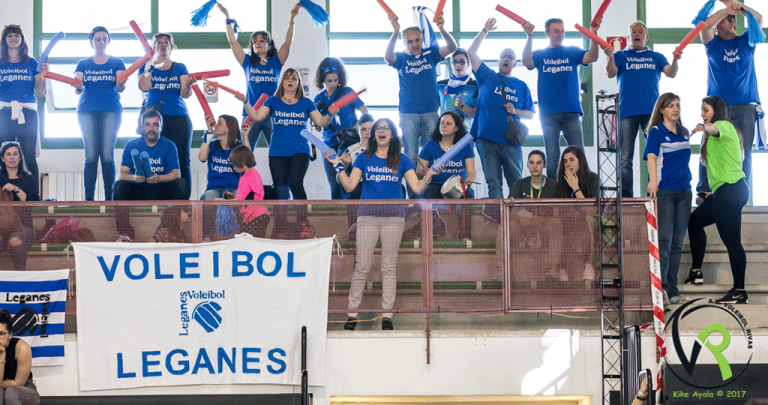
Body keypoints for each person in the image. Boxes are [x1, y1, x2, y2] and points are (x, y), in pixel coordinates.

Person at [325, 118, 438, 330]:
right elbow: (349, 187)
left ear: (392, 134)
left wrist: (429, 175)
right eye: (378, 128)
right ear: (374, 135)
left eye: (386, 128)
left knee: (388, 267)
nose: (381, 131)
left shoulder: (402, 159)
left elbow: (417, 188)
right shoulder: (364, 158)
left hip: (394, 218)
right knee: (362, 266)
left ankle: (387, 315)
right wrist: (339, 167)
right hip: (367, 217)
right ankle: (352, 314)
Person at [241, 68, 336, 239]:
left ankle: (303, 223)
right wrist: (246, 102)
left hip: (300, 150)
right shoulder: (273, 101)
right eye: (287, 78)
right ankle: (280, 226)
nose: (290, 81)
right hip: (277, 152)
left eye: (294, 78)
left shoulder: (306, 103)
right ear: (282, 82)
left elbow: (321, 122)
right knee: (281, 190)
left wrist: (330, 113)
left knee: (295, 183)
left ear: (298, 83)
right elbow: (255, 117)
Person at [604, 21, 680, 197]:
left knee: (654, 153)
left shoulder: (656, 56)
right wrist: (609, 57)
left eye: (640, 31)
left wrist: (675, 58)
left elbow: (671, 72)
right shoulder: (620, 55)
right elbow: (610, 73)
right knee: (625, 157)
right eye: (633, 32)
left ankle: (653, 192)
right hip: (626, 112)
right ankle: (626, 195)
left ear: (646, 36)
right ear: (629, 36)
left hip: (652, 114)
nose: (637, 34)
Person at [686, 95, 749, 304]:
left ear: (716, 112)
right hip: (725, 191)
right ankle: (696, 271)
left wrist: (703, 127)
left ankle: (739, 290)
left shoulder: (723, 126)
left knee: (732, 242)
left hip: (731, 190)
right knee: (694, 221)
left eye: (705, 110)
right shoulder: (713, 137)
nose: (702, 114)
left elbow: (715, 129)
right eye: (701, 110)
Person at [523, 17, 602, 180]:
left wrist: (594, 34)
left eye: (562, 31)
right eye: (556, 31)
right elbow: (526, 62)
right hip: (548, 115)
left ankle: (582, 192)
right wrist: (529, 37)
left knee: (578, 155)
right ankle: (554, 196)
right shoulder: (541, 54)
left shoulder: (572, 51)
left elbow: (592, 57)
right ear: (547, 33)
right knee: (552, 158)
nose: (560, 34)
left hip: (571, 113)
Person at [698, 0, 762, 200]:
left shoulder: (746, 42)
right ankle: (705, 190)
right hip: (718, 107)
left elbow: (758, 20)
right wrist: (725, 9)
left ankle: (742, 191)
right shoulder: (713, 45)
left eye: (723, 22)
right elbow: (703, 26)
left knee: (744, 151)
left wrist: (738, 7)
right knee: (708, 144)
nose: (717, 25)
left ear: (733, 23)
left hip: (744, 105)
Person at [468, 18, 535, 199]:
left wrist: (515, 111)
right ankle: (498, 223)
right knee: (494, 184)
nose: (507, 58)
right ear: (499, 60)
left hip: (511, 143)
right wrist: (485, 30)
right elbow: (471, 53)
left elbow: (530, 114)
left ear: (515, 63)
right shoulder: (487, 76)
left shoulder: (521, 86)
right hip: (487, 140)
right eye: (504, 56)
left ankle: (518, 223)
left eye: (511, 57)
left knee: (517, 184)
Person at [218, 2, 300, 148]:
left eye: (262, 41)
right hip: (250, 113)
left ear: (269, 45)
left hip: (272, 113)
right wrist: (227, 18)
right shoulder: (247, 62)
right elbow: (232, 42)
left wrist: (291, 19)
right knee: (245, 153)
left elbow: (288, 43)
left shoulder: (276, 62)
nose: (258, 44)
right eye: (255, 42)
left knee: (277, 150)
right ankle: (247, 173)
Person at [384, 12, 457, 171]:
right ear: (404, 42)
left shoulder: (431, 53)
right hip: (408, 113)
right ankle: (413, 194)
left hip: (430, 112)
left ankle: (427, 193)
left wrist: (442, 29)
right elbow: (388, 57)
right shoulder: (401, 58)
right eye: (410, 41)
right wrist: (395, 32)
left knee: (430, 156)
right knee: (410, 156)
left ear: (422, 39)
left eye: (417, 40)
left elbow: (453, 47)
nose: (414, 44)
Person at [643, 93, 691, 307]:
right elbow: (652, 157)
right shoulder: (655, 132)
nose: (675, 109)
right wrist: (653, 182)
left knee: (677, 244)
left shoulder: (685, 132)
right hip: (664, 192)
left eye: (678, 105)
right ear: (661, 109)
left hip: (684, 192)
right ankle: (659, 288)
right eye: (670, 106)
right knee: (664, 242)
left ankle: (672, 289)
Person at [113, 110, 188, 241]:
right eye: (147, 124)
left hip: (160, 189)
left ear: (161, 127)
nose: (151, 128)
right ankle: (124, 233)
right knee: (119, 186)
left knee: (181, 184)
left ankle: (173, 231)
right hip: (139, 189)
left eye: (155, 124)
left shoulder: (169, 145)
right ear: (141, 127)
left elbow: (176, 173)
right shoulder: (131, 145)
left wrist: (159, 178)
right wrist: (134, 178)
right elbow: (122, 174)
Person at [138, 32, 195, 199]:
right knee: (154, 158)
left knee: (182, 159)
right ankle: (154, 198)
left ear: (171, 46)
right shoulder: (147, 66)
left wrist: (189, 85)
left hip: (178, 116)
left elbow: (184, 93)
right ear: (153, 47)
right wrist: (149, 65)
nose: (163, 45)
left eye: (166, 42)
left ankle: (183, 200)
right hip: (153, 118)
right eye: (159, 43)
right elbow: (144, 87)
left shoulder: (179, 67)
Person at [73, 26, 126, 201]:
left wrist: (122, 82)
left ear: (108, 41)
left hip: (111, 111)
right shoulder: (83, 63)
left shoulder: (117, 62)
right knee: (90, 157)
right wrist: (77, 86)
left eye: (104, 39)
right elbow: (78, 87)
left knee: (107, 157)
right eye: (98, 39)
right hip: (86, 111)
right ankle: (89, 199)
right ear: (92, 42)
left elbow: (120, 87)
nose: (101, 42)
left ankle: (109, 199)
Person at [313, 57, 368, 200]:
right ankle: (337, 217)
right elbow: (318, 127)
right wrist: (319, 123)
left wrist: (357, 127)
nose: (333, 84)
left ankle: (350, 214)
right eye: (329, 81)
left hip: (349, 143)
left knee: (348, 180)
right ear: (323, 80)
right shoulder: (318, 99)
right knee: (334, 183)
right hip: (328, 144)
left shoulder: (347, 92)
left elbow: (364, 111)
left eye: (335, 80)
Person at [417, 111, 476, 240]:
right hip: (435, 184)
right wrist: (428, 172)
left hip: (457, 185)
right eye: (442, 123)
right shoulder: (430, 145)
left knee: (469, 196)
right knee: (429, 194)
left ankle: (465, 235)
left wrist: (468, 181)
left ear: (456, 128)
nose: (443, 125)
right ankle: (429, 234)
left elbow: (471, 172)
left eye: (448, 124)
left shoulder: (465, 146)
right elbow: (419, 172)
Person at [0, 24, 46, 187]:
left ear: (22, 39)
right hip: (4, 112)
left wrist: (43, 75)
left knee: (28, 156)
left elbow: (41, 92)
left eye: (17, 35)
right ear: (5, 40)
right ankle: (5, 197)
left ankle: (34, 197)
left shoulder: (31, 62)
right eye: (10, 35)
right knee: (5, 156)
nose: (13, 38)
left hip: (28, 112)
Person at [556, 145, 600, 281]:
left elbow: (591, 210)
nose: (568, 164)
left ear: (580, 161)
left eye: (571, 160)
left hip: (590, 219)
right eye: (565, 161)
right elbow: (557, 210)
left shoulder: (593, 178)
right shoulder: (561, 183)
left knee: (586, 219)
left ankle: (588, 265)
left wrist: (575, 187)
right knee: (559, 223)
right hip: (569, 221)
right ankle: (561, 268)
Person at [198, 115, 243, 241]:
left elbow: (249, 161)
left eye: (219, 123)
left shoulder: (238, 147)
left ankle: (241, 235)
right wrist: (209, 132)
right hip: (215, 188)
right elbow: (202, 158)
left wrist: (245, 136)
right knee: (207, 197)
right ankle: (206, 236)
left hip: (234, 188)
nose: (215, 125)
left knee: (242, 198)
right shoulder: (212, 145)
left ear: (228, 128)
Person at [0, 141, 38, 271]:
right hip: (1, 224)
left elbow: (32, 203)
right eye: (8, 154)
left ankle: (20, 279)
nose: (12, 157)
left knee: (16, 240)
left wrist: (16, 189)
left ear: (20, 157)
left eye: (15, 154)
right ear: (2, 158)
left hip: (23, 226)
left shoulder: (28, 178)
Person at [338, 114, 374, 231]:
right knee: (355, 190)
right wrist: (345, 165)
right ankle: (353, 231)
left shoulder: (383, 149)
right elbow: (339, 180)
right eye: (364, 129)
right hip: (358, 185)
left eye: (371, 129)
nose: (367, 133)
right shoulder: (350, 150)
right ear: (358, 131)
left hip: (378, 184)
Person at [225, 145, 270, 238]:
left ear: (242, 162)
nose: (235, 167)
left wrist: (223, 202)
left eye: (235, 164)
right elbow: (249, 195)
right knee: (257, 241)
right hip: (262, 214)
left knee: (249, 242)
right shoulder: (255, 173)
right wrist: (234, 196)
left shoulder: (245, 178)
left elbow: (239, 200)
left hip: (255, 216)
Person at [0, 309, 39, 405]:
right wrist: (2, 354)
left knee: (11, 392)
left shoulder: (21, 347)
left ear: (10, 335)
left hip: (25, 389)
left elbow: (18, 383)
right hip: (2, 389)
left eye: (1, 334)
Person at [436, 48, 478, 126]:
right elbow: (433, 110)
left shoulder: (475, 85)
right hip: (444, 130)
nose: (458, 65)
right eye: (455, 62)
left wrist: (461, 106)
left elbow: (476, 115)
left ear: (468, 64)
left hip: (465, 132)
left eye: (462, 62)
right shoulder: (440, 85)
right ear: (451, 64)